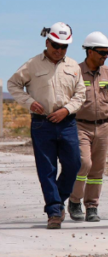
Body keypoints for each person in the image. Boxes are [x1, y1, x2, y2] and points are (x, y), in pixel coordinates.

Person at [8, 23, 86, 229]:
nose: (59, 50)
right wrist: (28, 102)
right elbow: (13, 84)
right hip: (42, 124)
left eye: (64, 46)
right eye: (55, 45)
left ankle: (58, 199)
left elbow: (80, 94)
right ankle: (53, 211)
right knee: (47, 169)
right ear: (47, 42)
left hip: (67, 123)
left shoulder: (73, 66)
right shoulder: (32, 65)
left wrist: (66, 110)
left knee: (74, 164)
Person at [68, 32, 108, 223]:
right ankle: (74, 201)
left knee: (97, 170)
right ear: (89, 52)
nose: (105, 55)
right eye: (102, 52)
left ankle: (92, 207)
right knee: (83, 163)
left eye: (107, 52)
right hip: (81, 126)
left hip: (103, 127)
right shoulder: (76, 72)